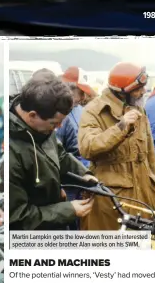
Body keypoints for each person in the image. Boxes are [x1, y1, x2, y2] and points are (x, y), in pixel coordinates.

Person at [78, 62, 155, 231]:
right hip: (111, 200)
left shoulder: (139, 109)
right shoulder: (93, 111)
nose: (143, 92)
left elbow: (150, 154)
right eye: (138, 88)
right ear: (122, 91)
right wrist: (121, 127)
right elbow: (87, 147)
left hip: (144, 195)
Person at [9, 71, 96, 231]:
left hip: (55, 222)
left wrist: (84, 175)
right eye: (54, 123)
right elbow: (17, 217)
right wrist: (69, 210)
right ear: (32, 115)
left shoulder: (41, 128)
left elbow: (59, 155)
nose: (59, 127)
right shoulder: (11, 154)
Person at [57, 66, 97, 230]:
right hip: (69, 183)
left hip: (84, 178)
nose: (82, 97)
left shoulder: (80, 110)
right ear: (69, 89)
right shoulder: (58, 114)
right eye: (80, 92)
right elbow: (56, 153)